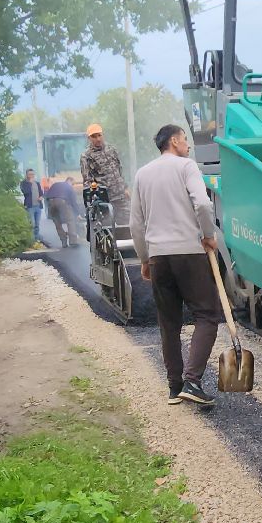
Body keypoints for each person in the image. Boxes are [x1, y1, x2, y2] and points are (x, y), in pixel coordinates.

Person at [131, 123, 221, 407]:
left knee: (168, 323)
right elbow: (204, 205)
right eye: (185, 139)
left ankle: (174, 387)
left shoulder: (142, 174)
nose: (188, 145)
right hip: (188, 253)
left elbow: (136, 223)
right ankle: (192, 381)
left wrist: (145, 258)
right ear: (173, 141)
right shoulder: (186, 166)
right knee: (207, 315)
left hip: (159, 257)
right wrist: (209, 235)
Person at [79, 123, 129, 231]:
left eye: (99, 135)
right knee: (107, 230)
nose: (97, 139)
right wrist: (95, 198)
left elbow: (119, 169)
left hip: (121, 195)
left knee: (127, 226)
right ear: (89, 138)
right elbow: (87, 179)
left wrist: (125, 188)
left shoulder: (111, 149)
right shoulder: (86, 156)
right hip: (105, 199)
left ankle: (128, 248)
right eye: (94, 136)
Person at [42, 176, 79, 249]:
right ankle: (73, 241)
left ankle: (63, 241)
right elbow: (73, 202)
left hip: (51, 202)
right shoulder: (69, 187)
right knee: (70, 221)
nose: (73, 185)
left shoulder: (55, 184)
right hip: (62, 201)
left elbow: (46, 195)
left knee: (57, 222)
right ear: (70, 181)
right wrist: (77, 213)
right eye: (73, 184)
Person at [20, 169, 44, 245]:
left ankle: (36, 237)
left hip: (38, 205)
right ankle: (32, 239)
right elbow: (26, 192)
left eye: (33, 174)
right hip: (30, 206)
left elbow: (41, 192)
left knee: (37, 223)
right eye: (30, 174)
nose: (31, 176)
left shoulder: (37, 183)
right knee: (32, 223)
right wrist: (30, 183)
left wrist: (41, 197)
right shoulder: (24, 183)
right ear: (26, 175)